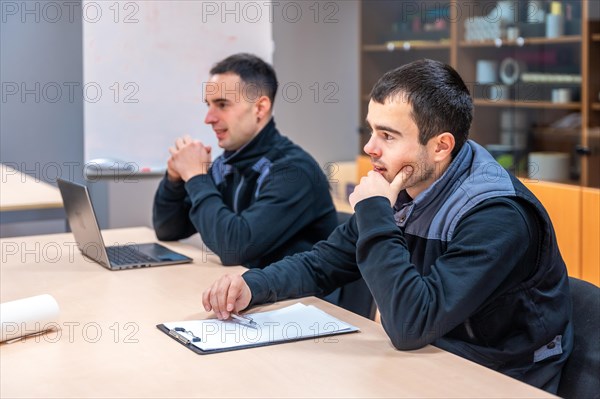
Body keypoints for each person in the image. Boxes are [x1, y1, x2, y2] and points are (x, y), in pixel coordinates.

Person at [201, 59, 573, 393]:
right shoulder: (408, 183)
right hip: (431, 356)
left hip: (502, 376)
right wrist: (252, 285)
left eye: (387, 135)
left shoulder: (496, 214)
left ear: (441, 146)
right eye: (371, 131)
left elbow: (412, 323)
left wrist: (376, 210)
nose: (370, 148)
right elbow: (323, 262)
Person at [153, 53, 338, 268]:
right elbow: (168, 229)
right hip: (251, 290)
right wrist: (175, 179)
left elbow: (236, 249)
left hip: (300, 299)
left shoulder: (293, 171)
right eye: (208, 105)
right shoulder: (227, 164)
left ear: (259, 108)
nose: (209, 118)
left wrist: (196, 177)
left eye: (222, 105)